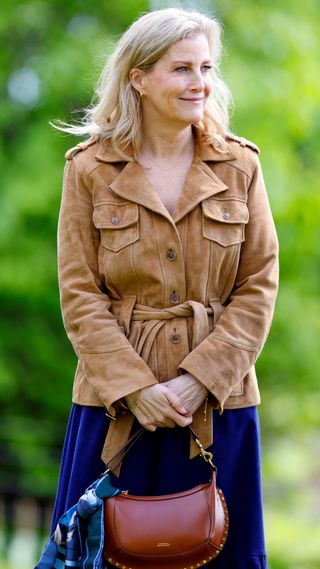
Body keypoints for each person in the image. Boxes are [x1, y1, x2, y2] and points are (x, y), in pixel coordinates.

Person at [49, 7, 278, 569]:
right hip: (115, 410)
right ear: (139, 77)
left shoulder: (241, 166)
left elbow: (259, 285)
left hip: (218, 406)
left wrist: (200, 380)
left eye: (206, 68)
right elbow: (80, 294)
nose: (199, 83)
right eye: (181, 69)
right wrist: (135, 388)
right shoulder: (88, 169)